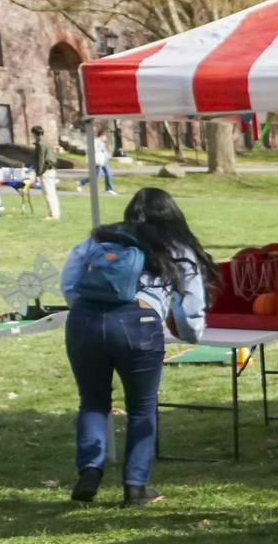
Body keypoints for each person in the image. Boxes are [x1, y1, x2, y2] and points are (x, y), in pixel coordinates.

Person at [59, 187, 213, 505]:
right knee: (141, 408)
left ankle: (89, 470)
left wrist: (86, 308)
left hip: (84, 321)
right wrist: (191, 333)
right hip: (138, 325)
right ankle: (135, 485)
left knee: (92, 402)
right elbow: (191, 299)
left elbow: (69, 280)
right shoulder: (175, 245)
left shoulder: (102, 237)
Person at [31, 127, 62, 220]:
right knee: (52, 193)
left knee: (48, 193)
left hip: (46, 170)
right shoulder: (47, 142)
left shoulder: (40, 144)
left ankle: (53, 214)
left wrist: (38, 173)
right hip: (51, 169)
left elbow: (41, 160)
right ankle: (55, 213)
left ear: (34, 133)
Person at [80, 128, 117, 195]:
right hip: (97, 161)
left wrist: (109, 155)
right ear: (102, 136)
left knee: (108, 173)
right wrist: (101, 151)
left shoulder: (103, 143)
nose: (106, 138)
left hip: (103, 161)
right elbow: (93, 150)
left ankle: (109, 189)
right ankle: (81, 182)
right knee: (95, 177)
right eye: (105, 136)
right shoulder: (95, 141)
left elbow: (105, 153)